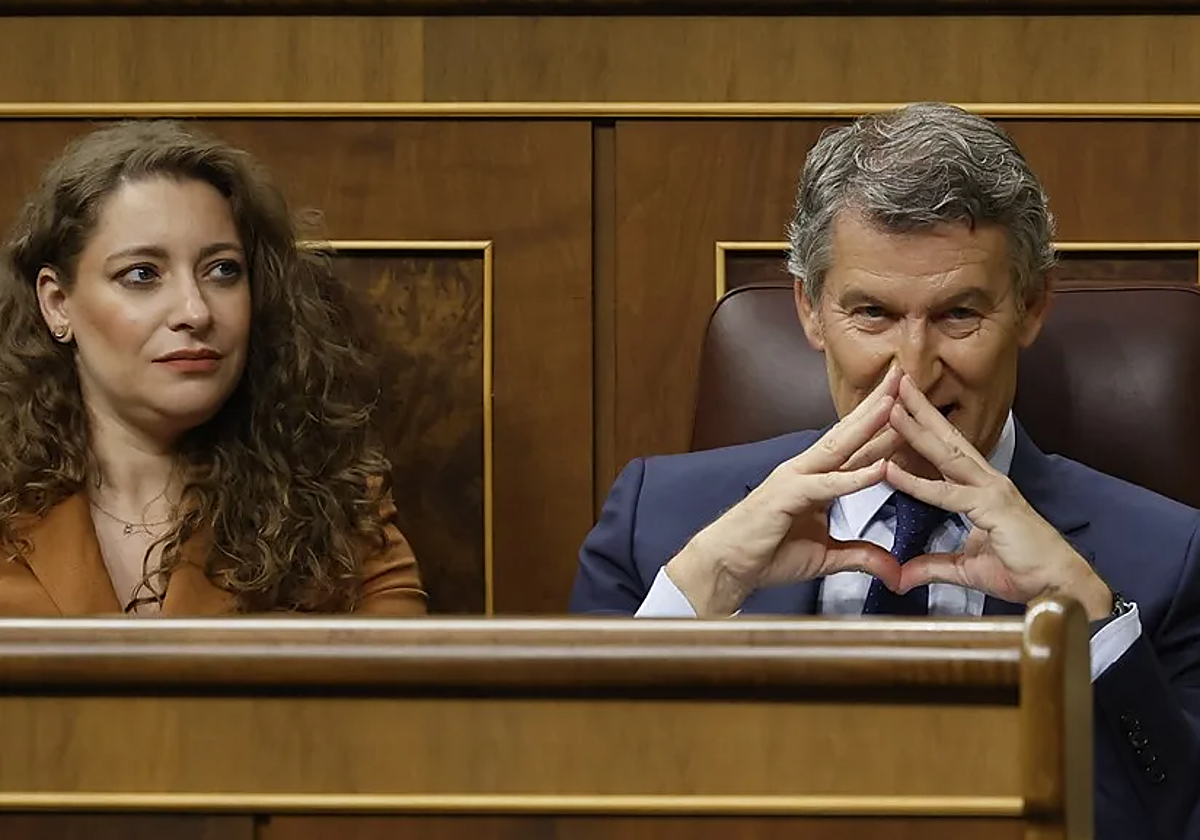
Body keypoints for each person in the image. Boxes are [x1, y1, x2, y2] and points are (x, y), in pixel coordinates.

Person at [570, 103, 1200, 839]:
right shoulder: (657, 525)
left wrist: (1087, 619)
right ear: (811, 309)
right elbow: (571, 802)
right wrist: (699, 591)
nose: (913, 370)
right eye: (872, 313)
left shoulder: (1168, 561)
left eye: (958, 314)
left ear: (1031, 307)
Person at [0, 120, 426, 616]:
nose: (195, 311)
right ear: (57, 304)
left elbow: (397, 661)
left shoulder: (338, 502)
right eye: (142, 274)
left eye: (223, 270)